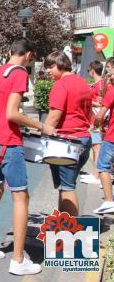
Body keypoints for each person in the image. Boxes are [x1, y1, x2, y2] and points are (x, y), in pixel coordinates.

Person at [0, 38, 52, 276]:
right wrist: (40, 126)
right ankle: (17, 259)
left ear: (9, 52)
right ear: (28, 55)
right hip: (8, 142)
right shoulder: (20, 73)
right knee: (21, 197)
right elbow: (12, 114)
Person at [43, 51, 92, 216]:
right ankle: (62, 227)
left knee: (67, 188)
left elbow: (54, 115)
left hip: (67, 142)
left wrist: (43, 134)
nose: (48, 71)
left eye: (51, 67)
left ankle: (71, 233)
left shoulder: (61, 84)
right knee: (65, 187)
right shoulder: (82, 82)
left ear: (61, 64)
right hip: (83, 138)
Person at [93, 58, 114, 214]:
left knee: (103, 167)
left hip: (111, 135)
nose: (107, 72)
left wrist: (97, 126)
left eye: (109, 69)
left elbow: (101, 113)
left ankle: (108, 200)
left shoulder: (112, 90)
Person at [81, 60, 106, 185]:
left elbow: (103, 103)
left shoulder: (101, 84)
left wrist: (90, 102)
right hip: (93, 118)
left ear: (92, 70)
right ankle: (96, 174)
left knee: (97, 147)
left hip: (97, 119)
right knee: (95, 146)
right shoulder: (97, 84)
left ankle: (97, 175)